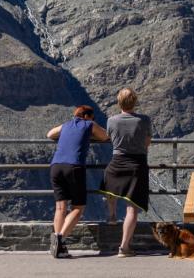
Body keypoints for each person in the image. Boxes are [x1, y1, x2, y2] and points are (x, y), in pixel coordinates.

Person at [46, 105, 109, 258]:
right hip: (74, 167)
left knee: (60, 207)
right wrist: (90, 134)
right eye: (92, 117)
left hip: (56, 166)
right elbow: (105, 136)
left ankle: (58, 246)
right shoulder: (89, 124)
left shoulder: (66, 125)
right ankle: (60, 240)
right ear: (87, 116)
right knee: (78, 208)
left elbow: (49, 134)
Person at [98, 87, 152, 258]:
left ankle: (112, 215)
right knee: (132, 209)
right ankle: (124, 247)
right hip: (137, 164)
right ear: (135, 102)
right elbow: (147, 142)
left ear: (118, 102)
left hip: (118, 161)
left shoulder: (111, 120)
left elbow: (110, 138)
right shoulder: (144, 120)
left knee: (109, 184)